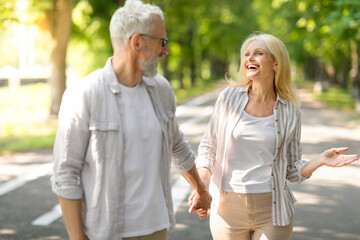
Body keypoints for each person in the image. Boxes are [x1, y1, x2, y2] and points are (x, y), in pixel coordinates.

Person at [51, 1, 211, 239]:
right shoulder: (85, 94)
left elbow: (177, 146)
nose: (165, 50)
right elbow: (66, 174)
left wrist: (200, 189)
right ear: (137, 42)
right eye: (161, 42)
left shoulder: (162, 90)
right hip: (107, 231)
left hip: (157, 228)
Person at [188, 32, 358, 240]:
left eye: (258, 53)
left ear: (275, 63)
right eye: (247, 54)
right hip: (227, 208)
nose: (249, 58)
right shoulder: (228, 98)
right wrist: (202, 186)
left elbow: (292, 170)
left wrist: (319, 160)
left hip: (273, 210)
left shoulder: (290, 109)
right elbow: (208, 150)